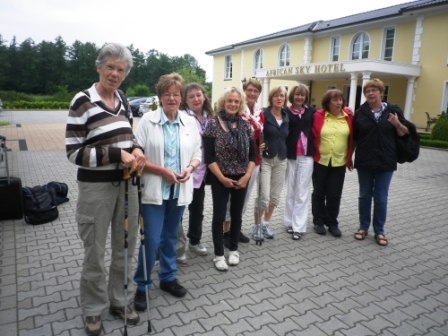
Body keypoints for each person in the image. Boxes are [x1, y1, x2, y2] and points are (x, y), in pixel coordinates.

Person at [65, 42, 146, 336]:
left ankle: (120, 300)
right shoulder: (82, 101)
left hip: (127, 185)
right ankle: (92, 309)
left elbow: (129, 136)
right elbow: (73, 153)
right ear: (99, 67)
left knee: (126, 246)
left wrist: (136, 150)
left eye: (120, 69)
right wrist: (115, 155)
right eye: (110, 67)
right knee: (95, 251)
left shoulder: (123, 99)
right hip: (96, 190)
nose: (115, 73)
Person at [132, 73, 201, 312]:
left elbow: (197, 153)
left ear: (180, 97)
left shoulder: (189, 121)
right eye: (167, 94)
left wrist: (190, 169)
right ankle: (142, 285)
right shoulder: (148, 121)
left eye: (175, 94)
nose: (171, 98)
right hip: (154, 189)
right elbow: (136, 152)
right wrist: (161, 171)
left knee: (170, 237)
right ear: (160, 97)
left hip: (179, 190)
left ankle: (168, 278)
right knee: (150, 240)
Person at [203, 87, 256, 271]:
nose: (233, 104)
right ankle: (218, 254)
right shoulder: (212, 124)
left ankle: (233, 249)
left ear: (240, 104)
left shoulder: (246, 126)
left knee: (236, 215)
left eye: (236, 101)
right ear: (223, 103)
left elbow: (252, 157)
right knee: (218, 216)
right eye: (229, 101)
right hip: (220, 176)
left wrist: (247, 176)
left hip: (242, 177)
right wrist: (222, 178)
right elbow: (208, 157)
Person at [353, 78, 409, 246]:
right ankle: (363, 227)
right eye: (368, 91)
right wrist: (350, 156)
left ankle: (379, 231)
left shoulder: (393, 110)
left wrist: (397, 124)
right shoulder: (360, 112)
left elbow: (405, 133)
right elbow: (355, 137)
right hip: (364, 160)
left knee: (381, 197)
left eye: (374, 90)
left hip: (386, 160)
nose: (371, 93)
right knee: (364, 195)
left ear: (381, 92)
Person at [223, 78, 264, 245]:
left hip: (255, 160)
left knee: (244, 197)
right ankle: (226, 231)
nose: (252, 93)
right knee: (232, 197)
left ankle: (235, 228)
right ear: (244, 91)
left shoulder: (259, 113)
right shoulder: (238, 111)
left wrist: (263, 141)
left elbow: (261, 132)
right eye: (249, 90)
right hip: (237, 161)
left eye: (255, 91)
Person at [311, 89, 354, 238]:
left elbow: (352, 138)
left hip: (339, 162)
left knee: (334, 194)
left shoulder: (348, 117)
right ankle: (318, 221)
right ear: (327, 103)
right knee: (318, 193)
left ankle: (332, 223)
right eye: (334, 100)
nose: (338, 103)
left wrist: (350, 157)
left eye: (340, 100)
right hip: (321, 160)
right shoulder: (318, 116)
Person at [179, 83, 215, 258]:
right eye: (191, 96)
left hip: (202, 171)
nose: (196, 99)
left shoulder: (210, 116)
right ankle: (176, 246)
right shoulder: (182, 116)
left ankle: (194, 240)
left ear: (204, 96)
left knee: (197, 209)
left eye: (198, 95)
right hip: (184, 170)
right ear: (185, 100)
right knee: (178, 210)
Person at [252, 86, 289, 240]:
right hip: (266, 159)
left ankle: (266, 223)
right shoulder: (263, 114)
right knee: (264, 196)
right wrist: (258, 144)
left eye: (282, 96)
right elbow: (256, 131)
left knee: (274, 197)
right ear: (271, 98)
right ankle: (257, 226)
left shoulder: (287, 115)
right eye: (276, 96)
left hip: (281, 159)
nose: (279, 98)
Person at [284, 84, 315, 240]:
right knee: (290, 191)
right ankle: (289, 222)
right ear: (292, 95)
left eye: (302, 95)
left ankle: (299, 227)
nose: (299, 98)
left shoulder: (311, 111)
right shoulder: (286, 112)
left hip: (307, 155)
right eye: (297, 94)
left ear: (305, 97)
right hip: (290, 156)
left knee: (302, 192)